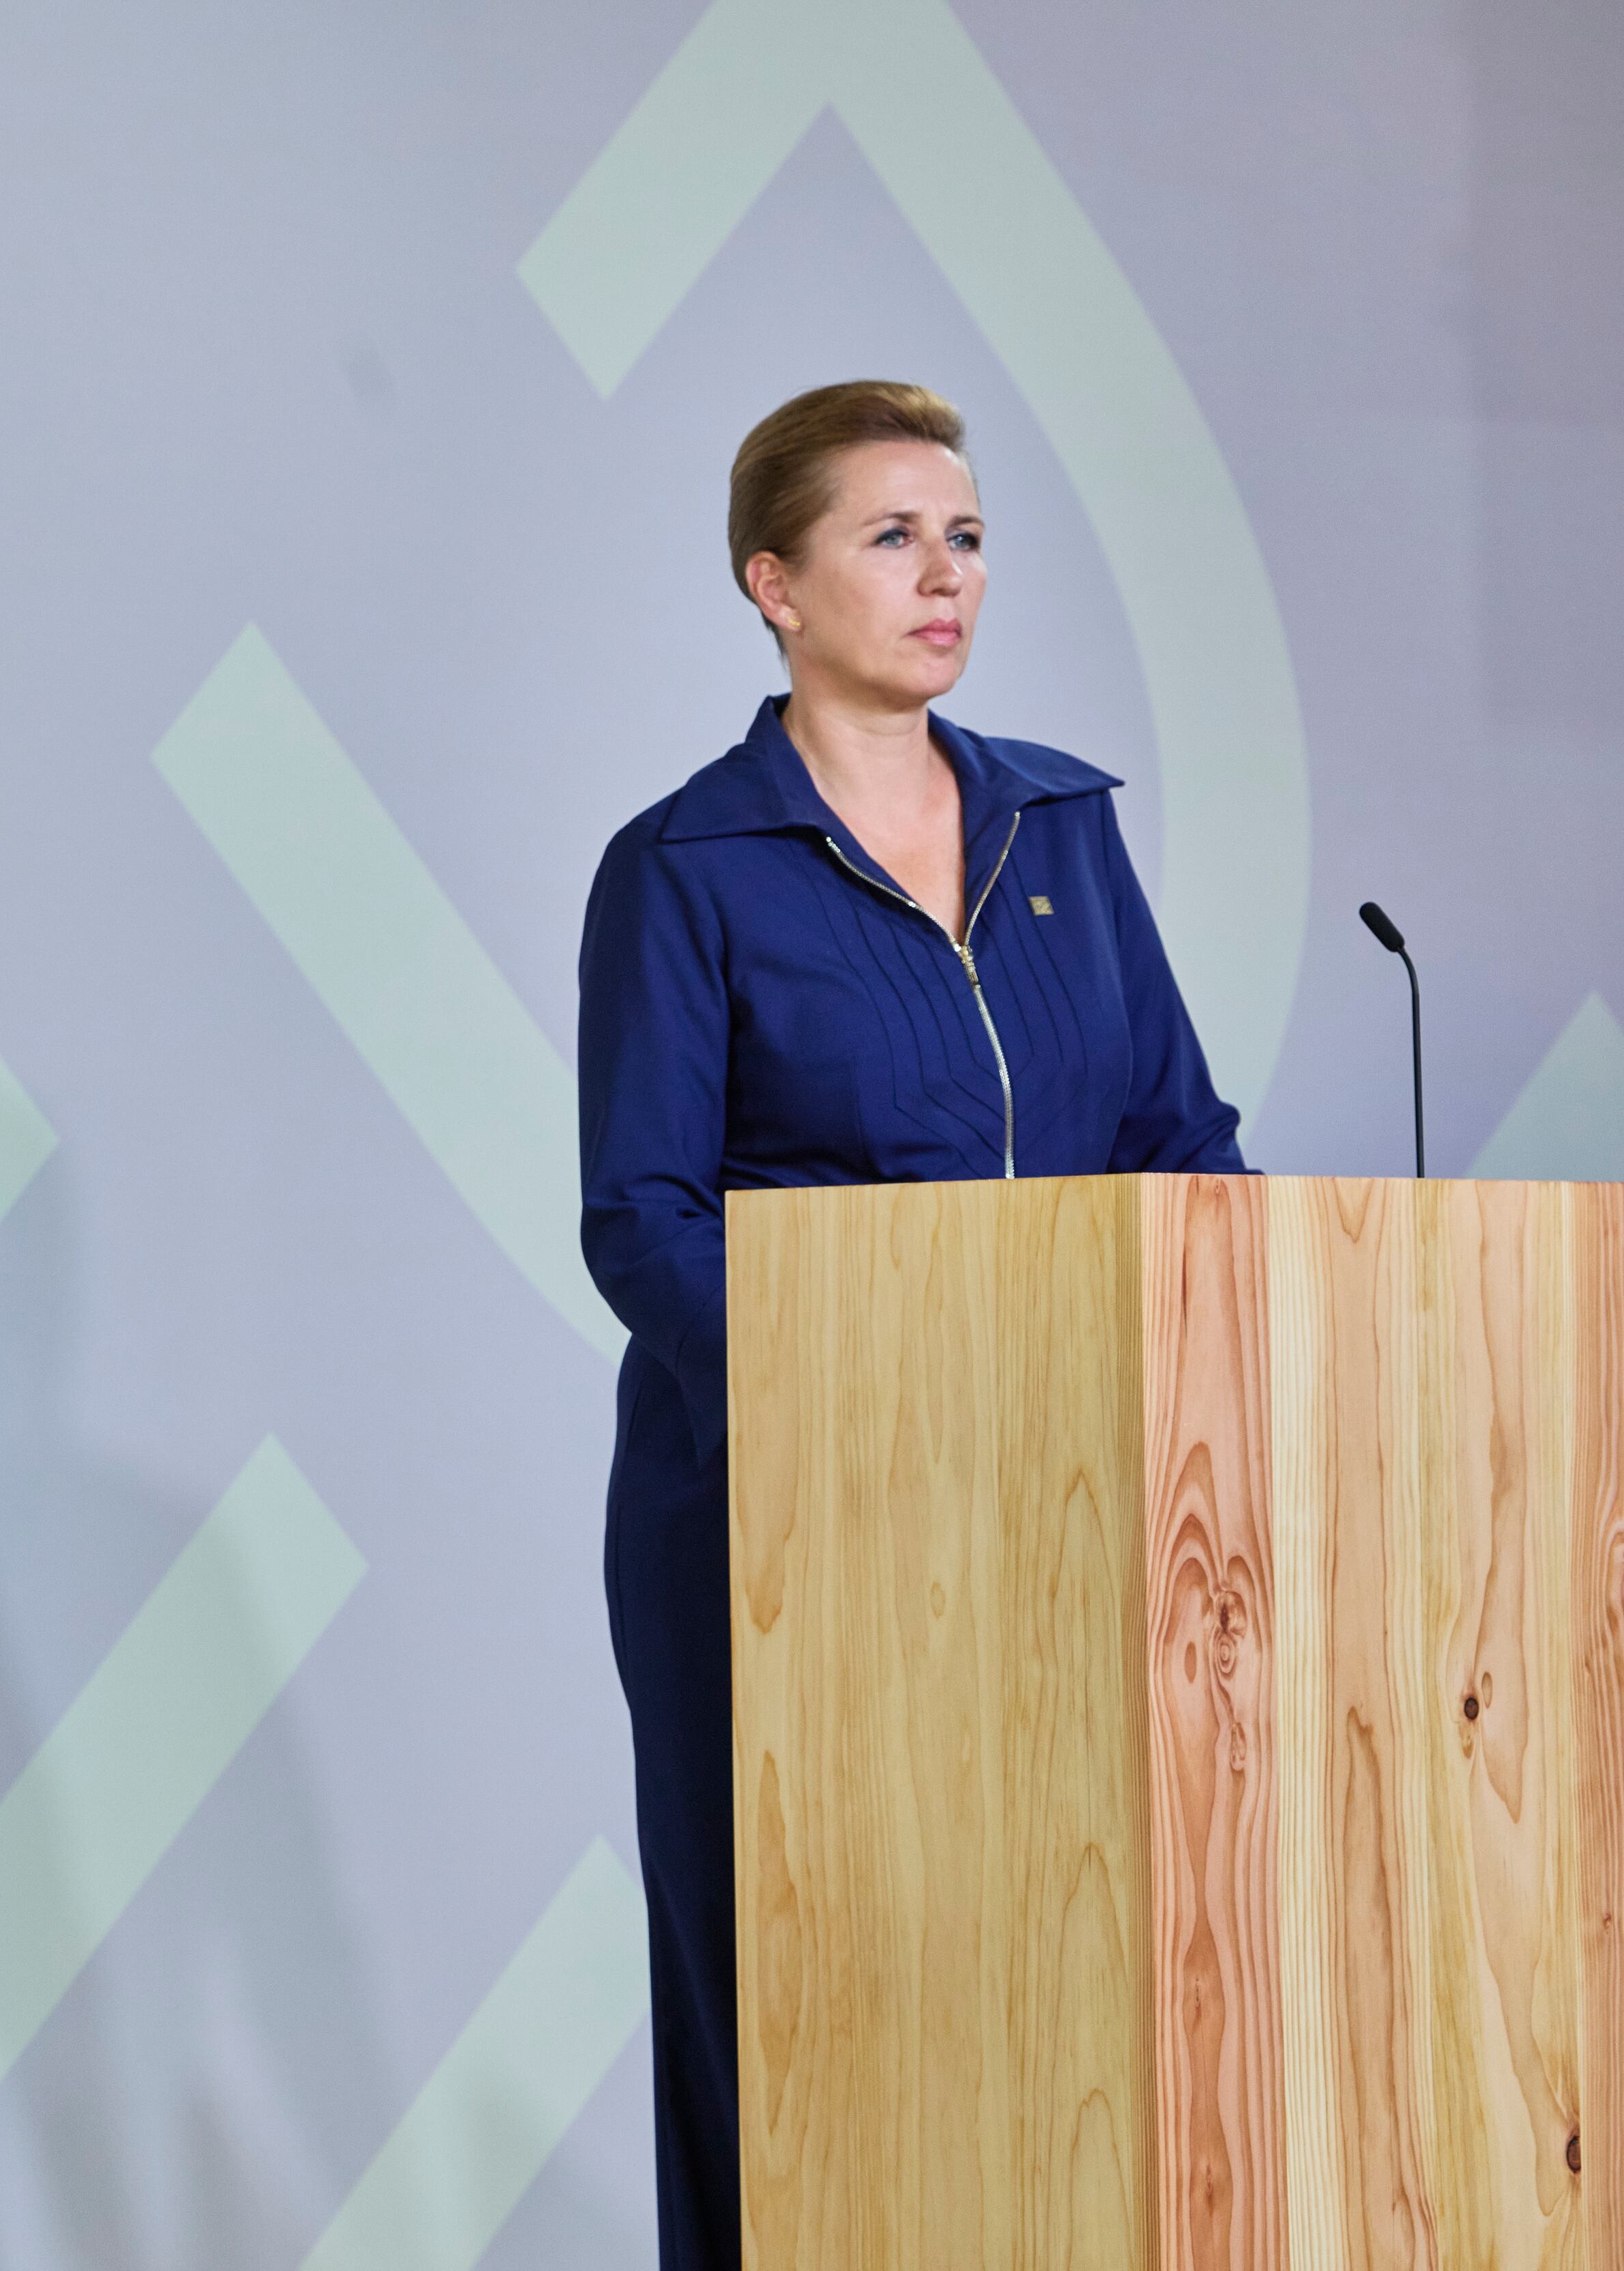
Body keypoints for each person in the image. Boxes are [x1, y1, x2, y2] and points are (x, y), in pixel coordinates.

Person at [574, 379, 1246, 2266]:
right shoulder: (688, 869)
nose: (943, 574)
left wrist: (1247, 1342)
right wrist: (860, 1406)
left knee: (1044, 1996)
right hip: (790, 1522)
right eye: (891, 536)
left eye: (964, 535)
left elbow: (1181, 1144)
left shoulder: (1066, 833)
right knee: (795, 2001)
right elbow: (643, 1219)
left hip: (1061, 1503)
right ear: (772, 585)